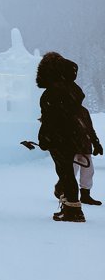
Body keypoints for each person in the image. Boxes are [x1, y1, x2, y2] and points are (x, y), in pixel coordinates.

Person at [36, 52, 96, 223]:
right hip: (72, 136)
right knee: (68, 173)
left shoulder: (52, 93)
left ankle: (72, 209)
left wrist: (43, 138)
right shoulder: (73, 90)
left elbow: (50, 119)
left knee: (65, 173)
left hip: (59, 137)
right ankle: (72, 207)